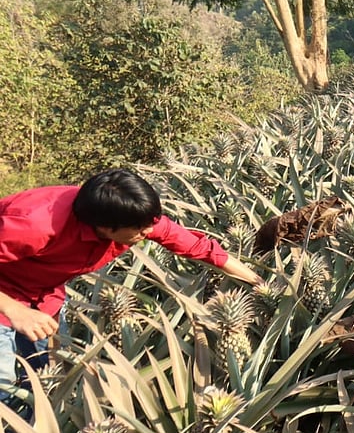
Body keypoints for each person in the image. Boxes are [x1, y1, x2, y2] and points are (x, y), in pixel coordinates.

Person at [0, 168, 262, 397]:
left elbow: (200, 248)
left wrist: (257, 281)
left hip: (44, 297)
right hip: (6, 302)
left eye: (151, 223)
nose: (149, 232)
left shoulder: (133, 217)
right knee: (5, 387)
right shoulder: (34, 223)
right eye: (140, 229)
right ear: (104, 227)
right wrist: (16, 311)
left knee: (44, 378)